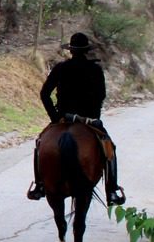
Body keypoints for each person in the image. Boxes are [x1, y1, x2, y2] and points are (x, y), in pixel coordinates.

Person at [33, 31, 125, 207]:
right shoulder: (96, 70)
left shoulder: (60, 68)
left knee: (40, 144)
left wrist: (55, 117)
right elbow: (101, 95)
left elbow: (45, 94)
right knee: (109, 147)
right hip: (89, 119)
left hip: (64, 118)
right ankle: (111, 190)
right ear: (86, 50)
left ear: (71, 50)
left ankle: (39, 185)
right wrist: (93, 117)